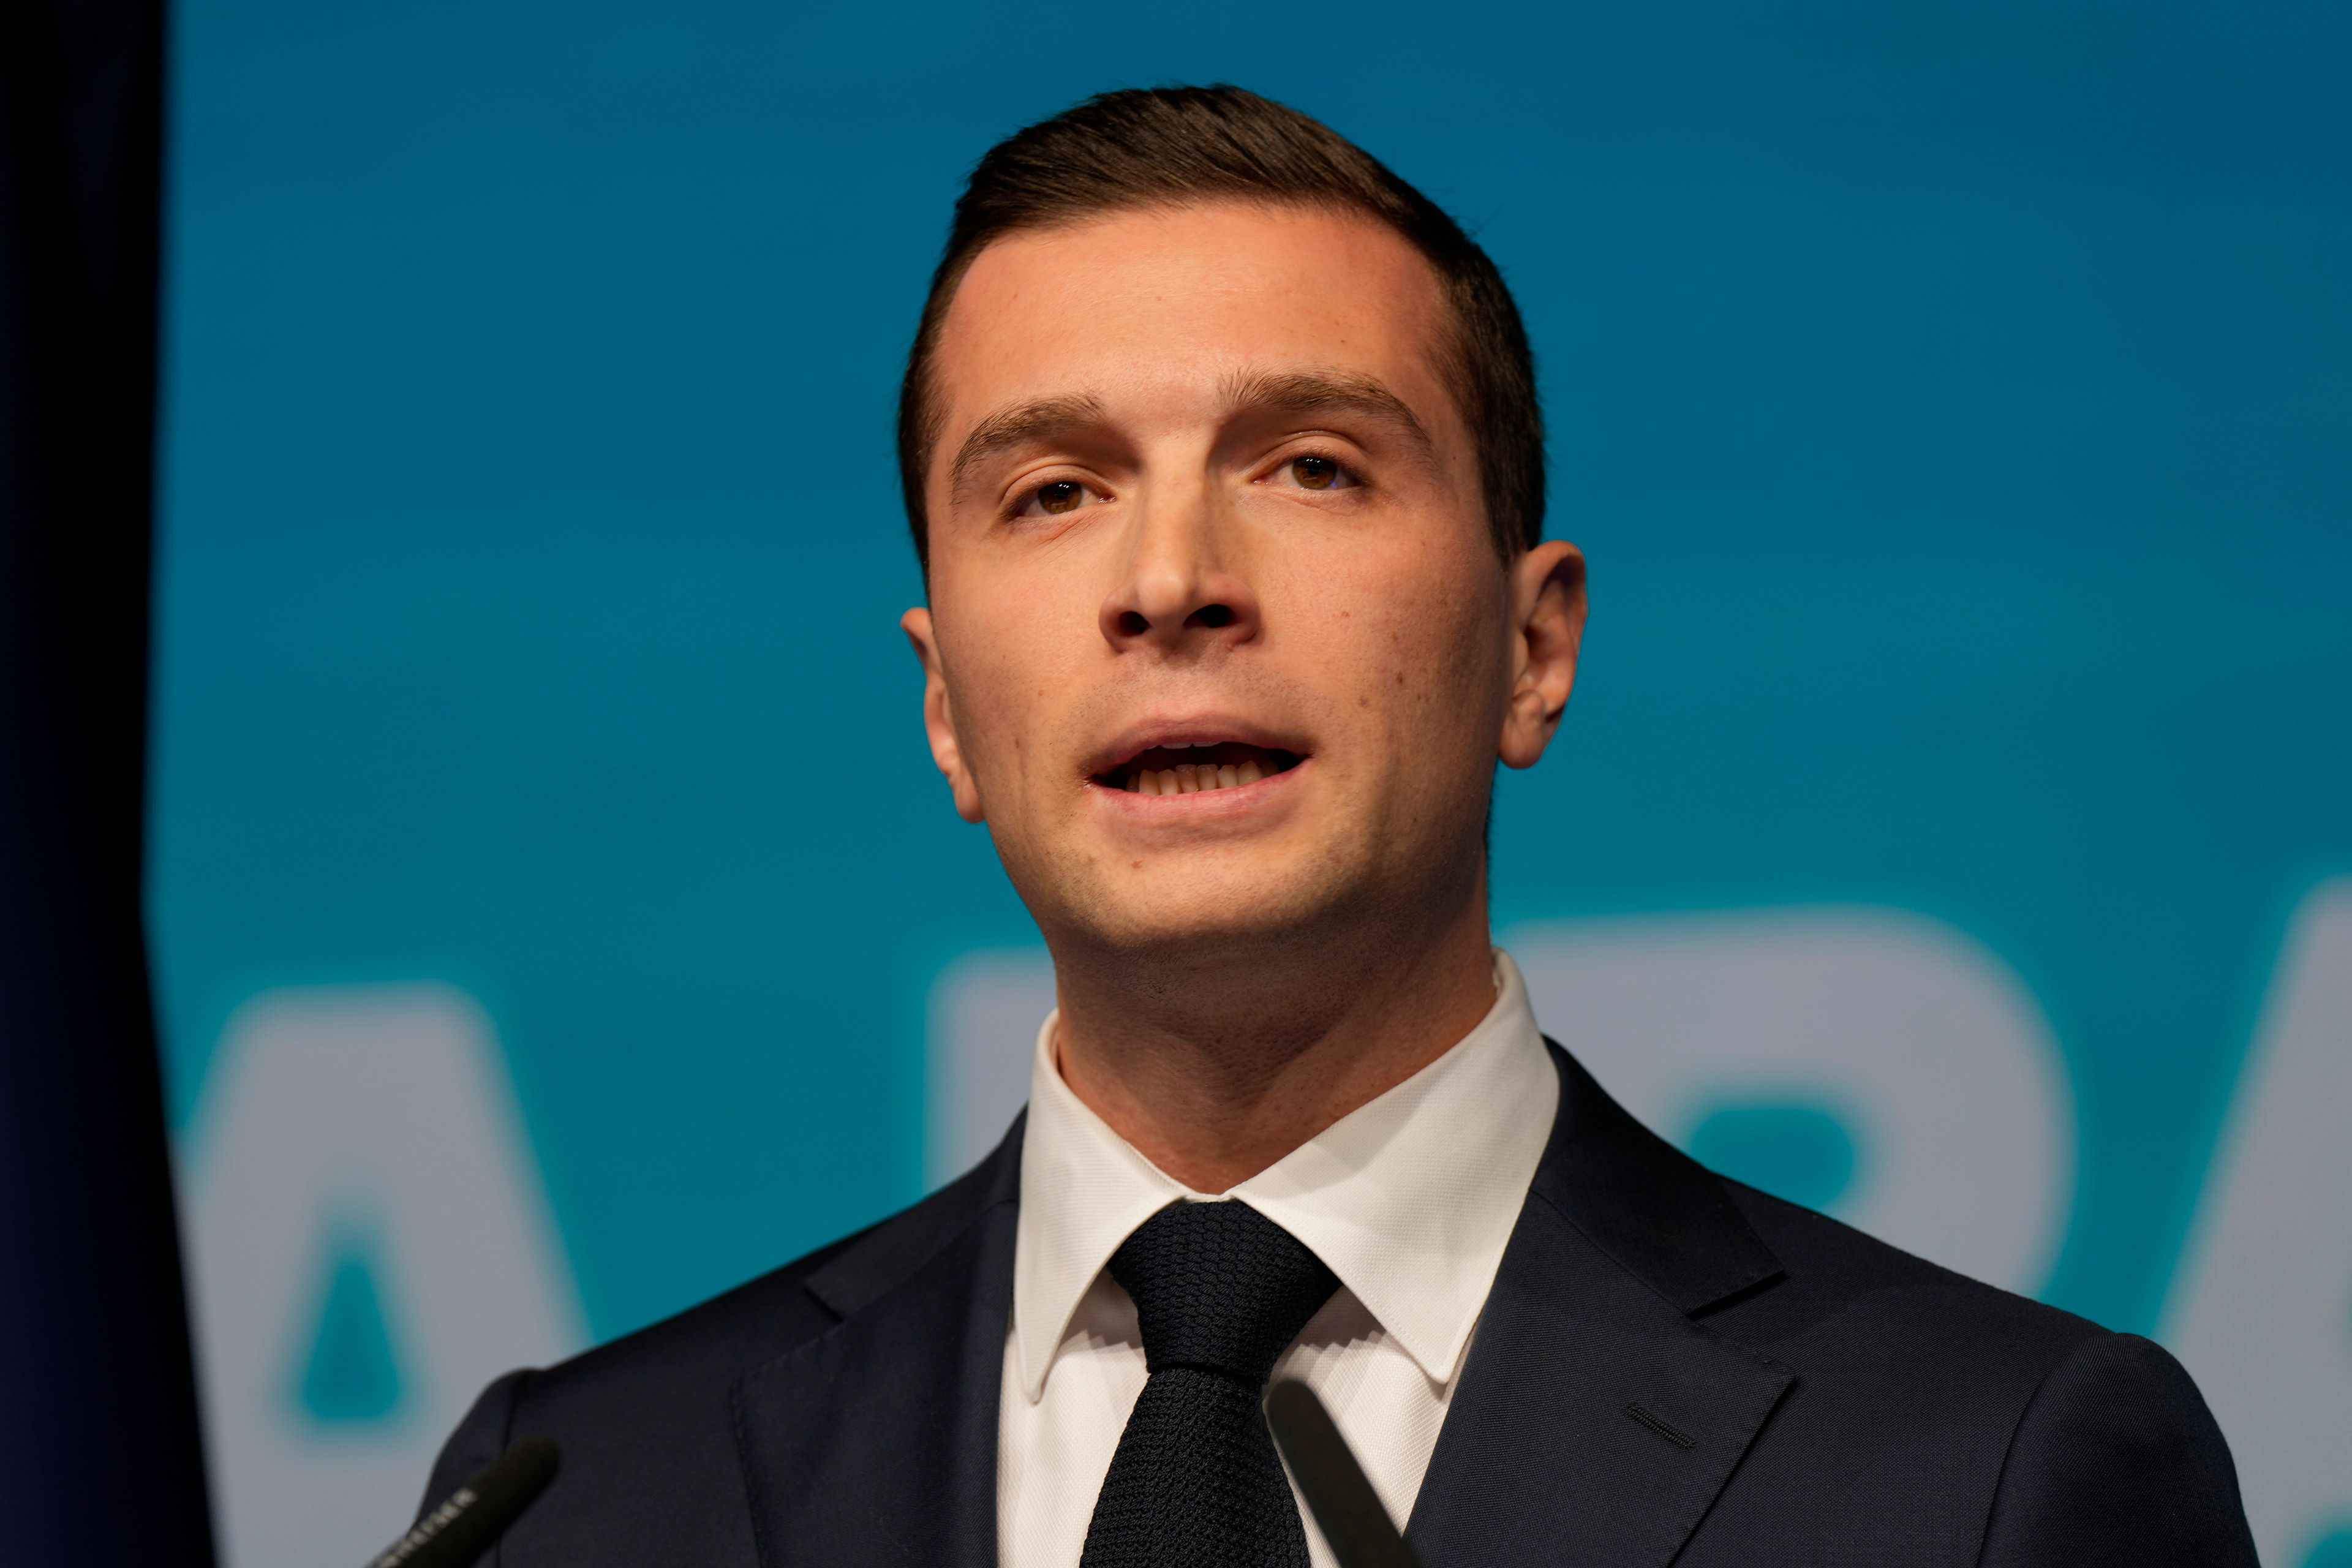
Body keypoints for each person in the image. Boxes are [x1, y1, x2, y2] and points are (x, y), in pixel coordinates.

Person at [422, 86, 2254, 1567]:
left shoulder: (1988, 1477)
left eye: (1310, 466)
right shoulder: (577, 1500)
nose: (1171, 583)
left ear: (1535, 649)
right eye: (1054, 492)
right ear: (942, 709)